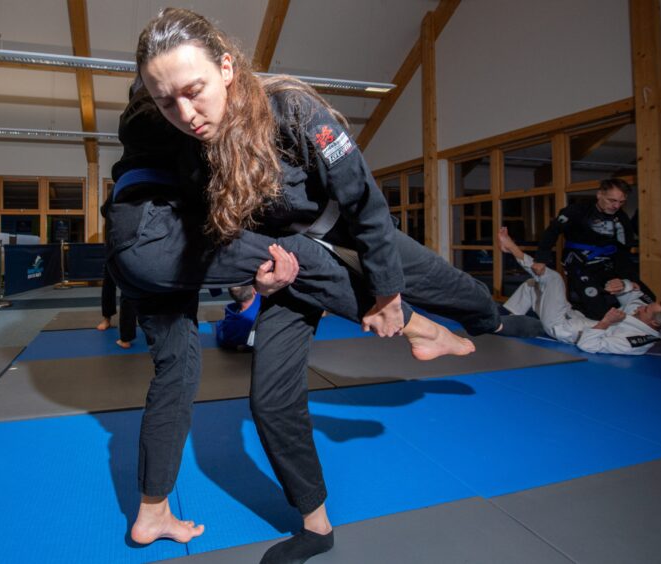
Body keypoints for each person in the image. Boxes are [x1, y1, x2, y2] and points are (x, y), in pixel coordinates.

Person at [134, 9, 514, 563]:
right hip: (294, 264)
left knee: (448, 285)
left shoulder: (292, 109)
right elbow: (225, 237)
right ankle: (316, 526)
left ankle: (493, 322)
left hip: (351, 233)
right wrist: (257, 282)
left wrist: (387, 295)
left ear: (227, 68)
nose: (186, 114)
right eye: (167, 102)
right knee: (269, 399)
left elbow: (364, 202)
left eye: (194, 91)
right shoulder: (189, 149)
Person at [498, 227, 661, 354]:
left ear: (654, 324)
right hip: (572, 316)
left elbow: (587, 345)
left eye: (646, 310)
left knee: (553, 279)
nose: (641, 308)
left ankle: (511, 248)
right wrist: (624, 284)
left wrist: (605, 323)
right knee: (532, 285)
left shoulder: (634, 341)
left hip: (563, 329)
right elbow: (634, 293)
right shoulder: (644, 312)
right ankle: (497, 321)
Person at [532, 178, 652, 320]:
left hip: (609, 265)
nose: (616, 206)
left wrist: (630, 279)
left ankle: (632, 323)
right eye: (611, 200)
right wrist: (540, 259)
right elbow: (552, 232)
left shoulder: (621, 218)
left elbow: (623, 251)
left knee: (648, 299)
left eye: (621, 202)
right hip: (580, 265)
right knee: (598, 310)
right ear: (599, 194)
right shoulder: (576, 211)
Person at [98, 264, 138, 348]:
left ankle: (126, 338)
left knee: (128, 286)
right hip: (114, 252)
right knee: (109, 281)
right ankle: (107, 318)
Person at [215, 285, 260, 350]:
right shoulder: (267, 301)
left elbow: (223, 338)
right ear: (254, 290)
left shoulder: (232, 328)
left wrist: (220, 323)